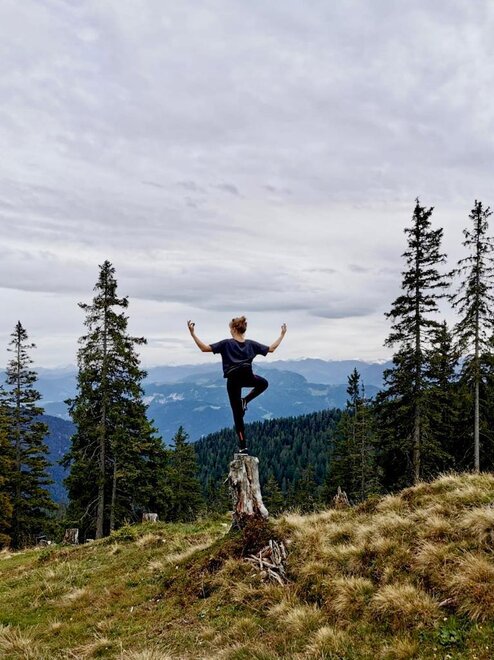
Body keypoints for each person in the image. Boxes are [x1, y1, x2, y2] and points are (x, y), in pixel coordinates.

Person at [187, 316, 287, 453]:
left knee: (237, 415)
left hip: (233, 380)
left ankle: (243, 446)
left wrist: (192, 334)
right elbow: (271, 349)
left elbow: (204, 348)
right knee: (263, 383)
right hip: (247, 376)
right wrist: (282, 335)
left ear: (234, 329)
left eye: (230, 328)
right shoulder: (251, 344)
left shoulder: (226, 344)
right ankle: (245, 400)